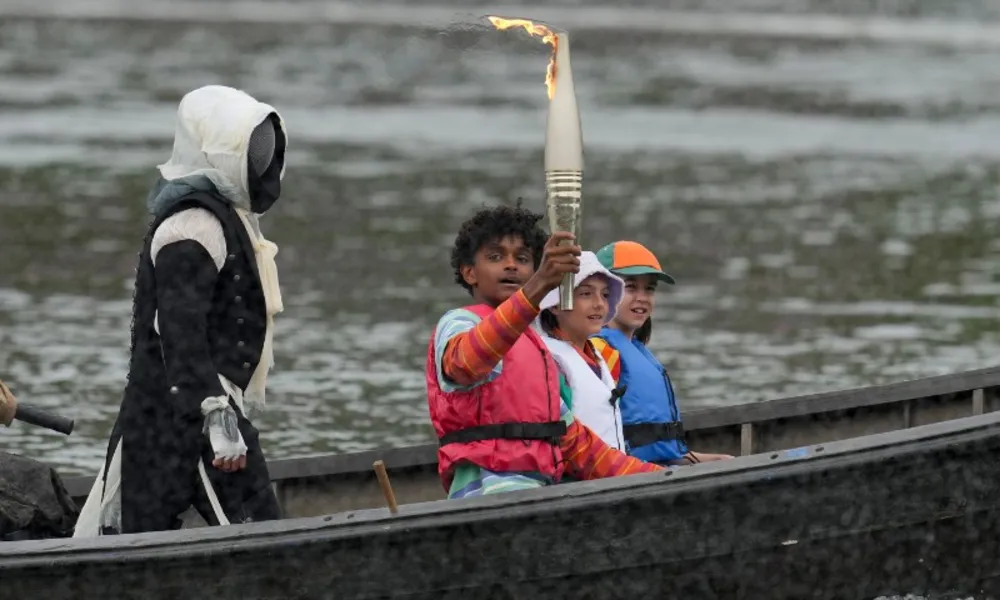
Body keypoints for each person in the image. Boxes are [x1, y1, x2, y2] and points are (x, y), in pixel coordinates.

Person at [74, 84, 287, 535]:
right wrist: (215, 416)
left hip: (187, 412)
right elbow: (179, 330)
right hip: (185, 417)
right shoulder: (191, 227)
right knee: (255, 530)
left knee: (156, 532)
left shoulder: (218, 218)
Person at [426, 204, 663, 499]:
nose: (511, 265)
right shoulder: (459, 322)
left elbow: (577, 444)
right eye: (496, 256)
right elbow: (464, 363)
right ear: (469, 272)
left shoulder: (538, 349)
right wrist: (539, 285)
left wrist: (661, 477)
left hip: (539, 494)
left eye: (523, 259)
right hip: (485, 498)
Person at [592, 240, 734, 466]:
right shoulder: (601, 352)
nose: (642, 297)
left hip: (658, 466)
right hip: (626, 474)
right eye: (630, 287)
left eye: (649, 288)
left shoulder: (636, 349)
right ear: (602, 293)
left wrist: (711, 459)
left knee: (727, 461)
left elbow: (663, 449)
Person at [535, 251, 627, 452]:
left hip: (613, 475)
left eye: (605, 295)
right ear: (556, 305)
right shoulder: (549, 361)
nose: (599, 304)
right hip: (583, 480)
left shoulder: (599, 355)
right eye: (586, 293)